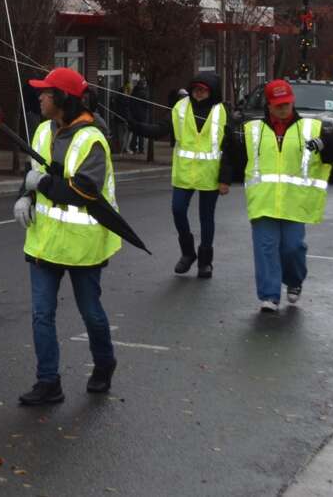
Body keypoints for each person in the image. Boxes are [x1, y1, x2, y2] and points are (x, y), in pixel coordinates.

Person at [12, 66, 120, 406]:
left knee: (90, 312)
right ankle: (48, 382)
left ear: (63, 99)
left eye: (46, 92)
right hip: (44, 241)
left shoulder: (93, 139)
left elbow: (83, 191)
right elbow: (35, 173)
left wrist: (39, 185)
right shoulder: (43, 131)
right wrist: (24, 195)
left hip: (82, 246)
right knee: (42, 314)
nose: (40, 97)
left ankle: (104, 364)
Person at [228, 78, 333, 315]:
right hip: (263, 201)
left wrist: (324, 144)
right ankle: (269, 295)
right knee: (265, 248)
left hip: (295, 202)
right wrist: (223, 178)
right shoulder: (253, 130)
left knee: (293, 248)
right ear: (269, 105)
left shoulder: (311, 127)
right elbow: (235, 158)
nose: (283, 107)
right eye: (278, 104)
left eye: (287, 103)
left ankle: (294, 280)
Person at [126, 72, 228, 278]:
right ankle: (188, 253)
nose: (198, 93)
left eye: (203, 90)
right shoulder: (180, 108)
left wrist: (225, 179)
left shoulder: (221, 112)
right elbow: (160, 129)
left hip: (210, 175)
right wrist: (137, 127)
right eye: (196, 89)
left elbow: (229, 147)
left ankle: (205, 262)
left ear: (211, 92)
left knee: (206, 218)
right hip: (184, 173)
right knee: (178, 210)